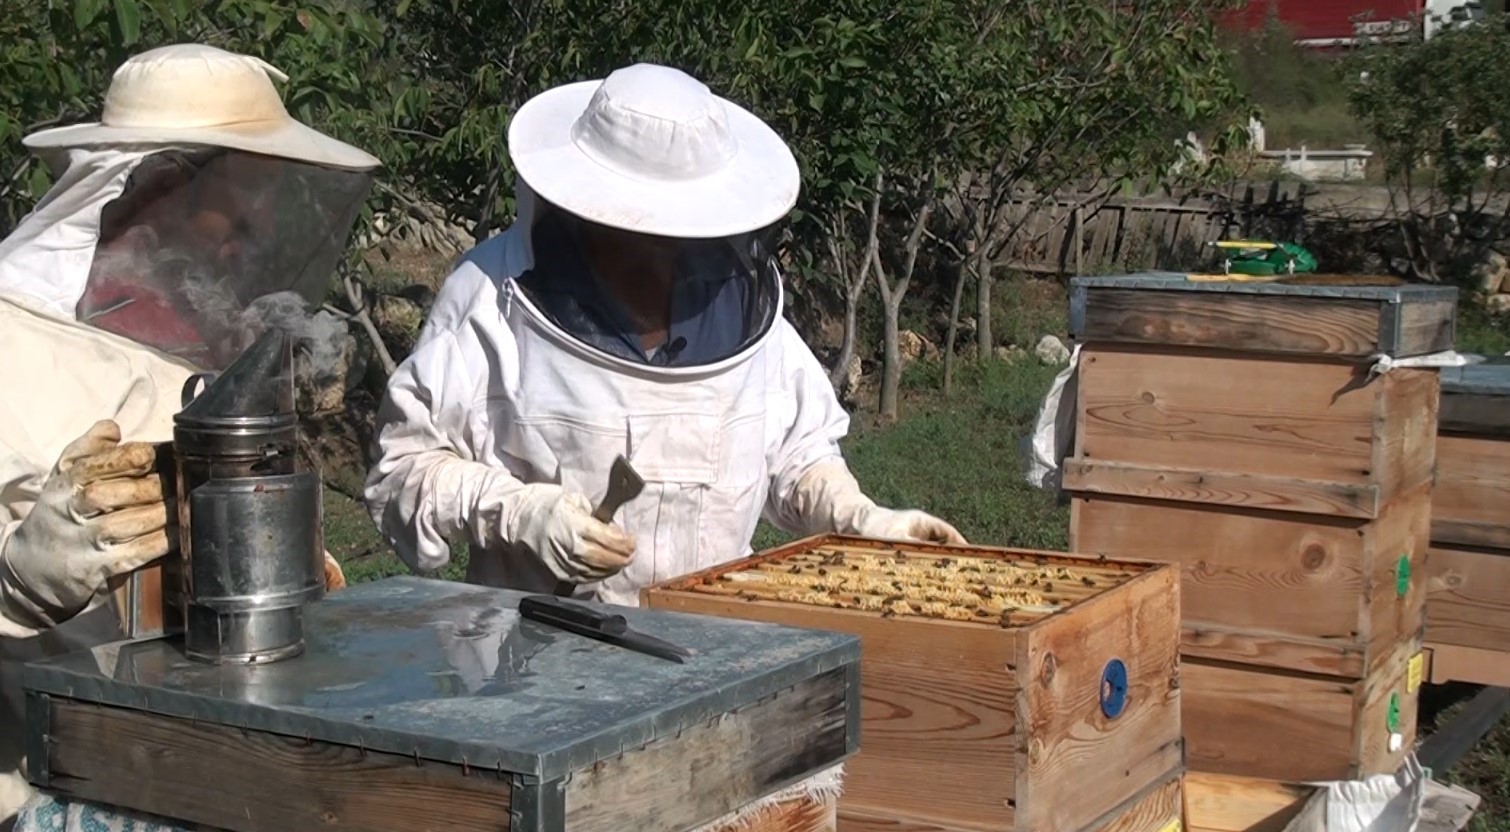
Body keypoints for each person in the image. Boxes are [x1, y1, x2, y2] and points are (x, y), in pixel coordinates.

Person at [365, 63, 965, 608]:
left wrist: (860, 516)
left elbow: (798, 455)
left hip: (718, 665)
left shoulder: (743, 305)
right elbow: (403, 470)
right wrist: (520, 512)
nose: (664, 240)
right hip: (534, 678)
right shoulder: (488, 298)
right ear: (589, 203)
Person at [0, 44, 380, 831]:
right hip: (36, 773)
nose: (253, 240)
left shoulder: (211, 334)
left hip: (201, 754)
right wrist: (17, 581)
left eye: (266, 216)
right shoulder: (14, 339)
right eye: (235, 216)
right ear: (151, 188)